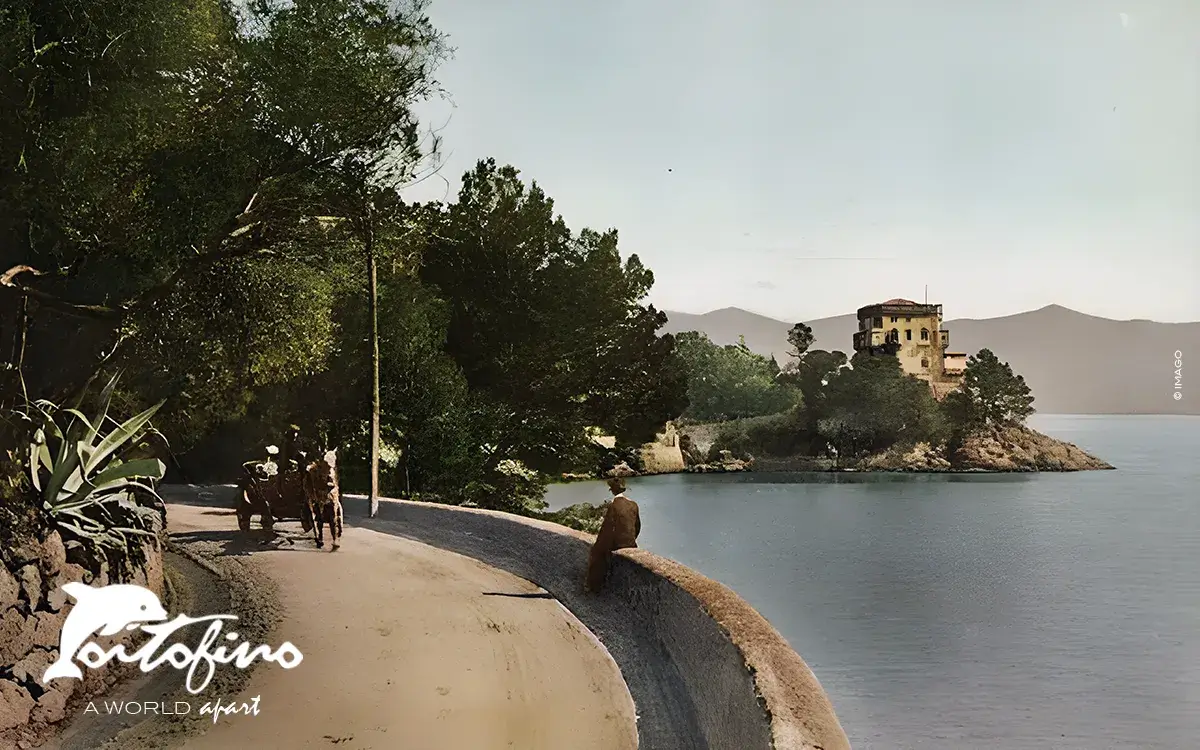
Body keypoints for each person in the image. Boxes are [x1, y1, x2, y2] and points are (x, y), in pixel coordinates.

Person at [584, 477, 642, 593]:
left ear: (612, 490)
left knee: (596, 553)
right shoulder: (633, 505)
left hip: (618, 543)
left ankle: (592, 587)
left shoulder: (613, 505)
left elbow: (607, 528)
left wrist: (599, 546)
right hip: (631, 543)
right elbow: (637, 527)